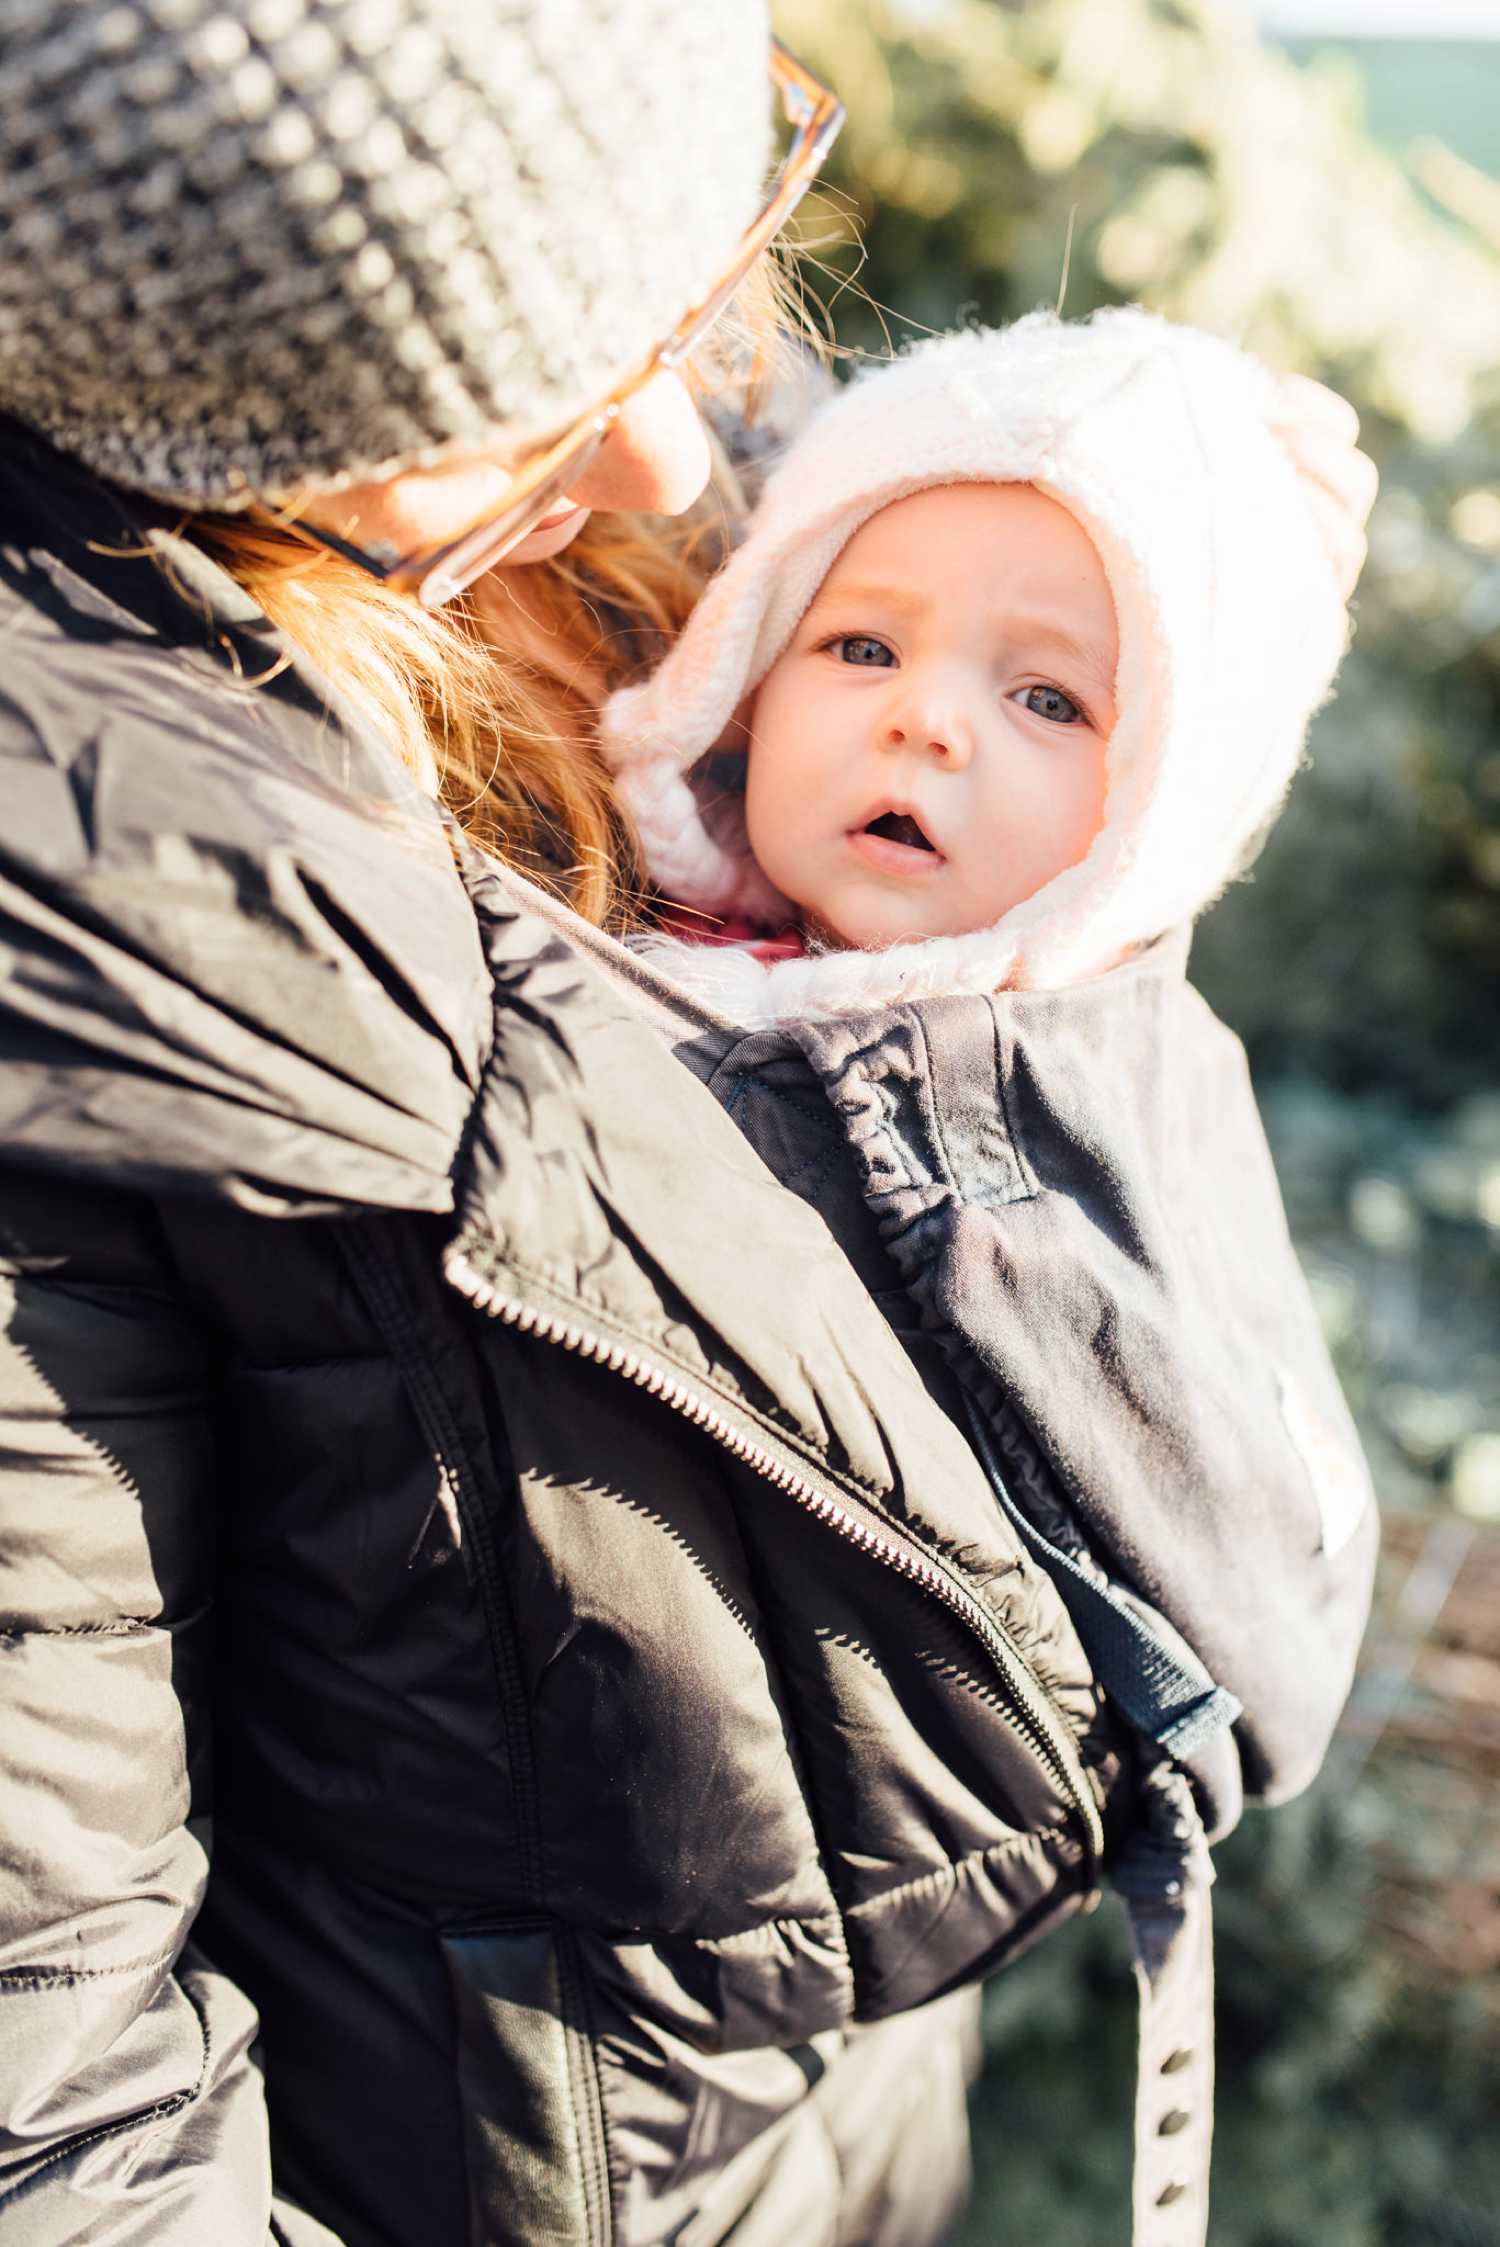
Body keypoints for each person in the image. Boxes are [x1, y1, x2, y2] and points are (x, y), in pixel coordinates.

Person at [0, 9, 1377, 2246]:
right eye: (495, 410)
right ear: (217, 441)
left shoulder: (685, 480)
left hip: (843, 2152)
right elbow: (56, 2118)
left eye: (695, 277)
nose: (675, 450)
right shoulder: (81, 1016)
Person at [601, 306, 1381, 1831]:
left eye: (1049, 699)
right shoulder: (620, 943)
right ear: (740, 680)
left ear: (1159, 799)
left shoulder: (1066, 1132)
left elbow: (1241, 1643)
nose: (926, 718)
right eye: (860, 642)